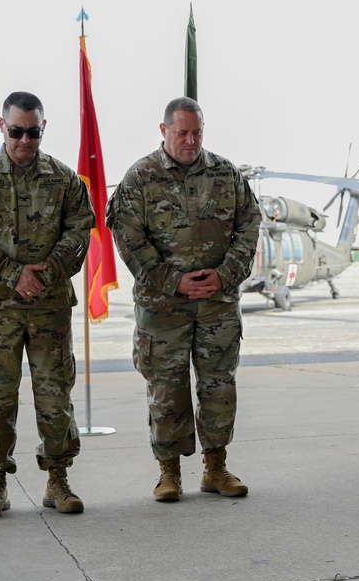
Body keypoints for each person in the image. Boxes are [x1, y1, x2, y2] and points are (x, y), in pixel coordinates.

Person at [106, 97, 261, 502]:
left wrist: (225, 275)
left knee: (218, 386)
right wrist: (172, 281)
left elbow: (249, 224)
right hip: (163, 307)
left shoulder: (226, 173)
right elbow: (128, 237)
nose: (191, 141)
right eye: (182, 133)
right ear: (164, 131)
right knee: (166, 389)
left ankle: (216, 468)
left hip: (217, 303)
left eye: (197, 132)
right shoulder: (140, 177)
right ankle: (169, 472)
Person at [0, 91, 94, 519]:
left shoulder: (65, 180)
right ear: (2, 127)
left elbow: (80, 232)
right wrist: (15, 274)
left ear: (43, 129)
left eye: (33, 132)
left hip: (48, 307)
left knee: (54, 396)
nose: (25, 141)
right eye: (17, 132)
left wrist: (44, 272)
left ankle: (57, 479)